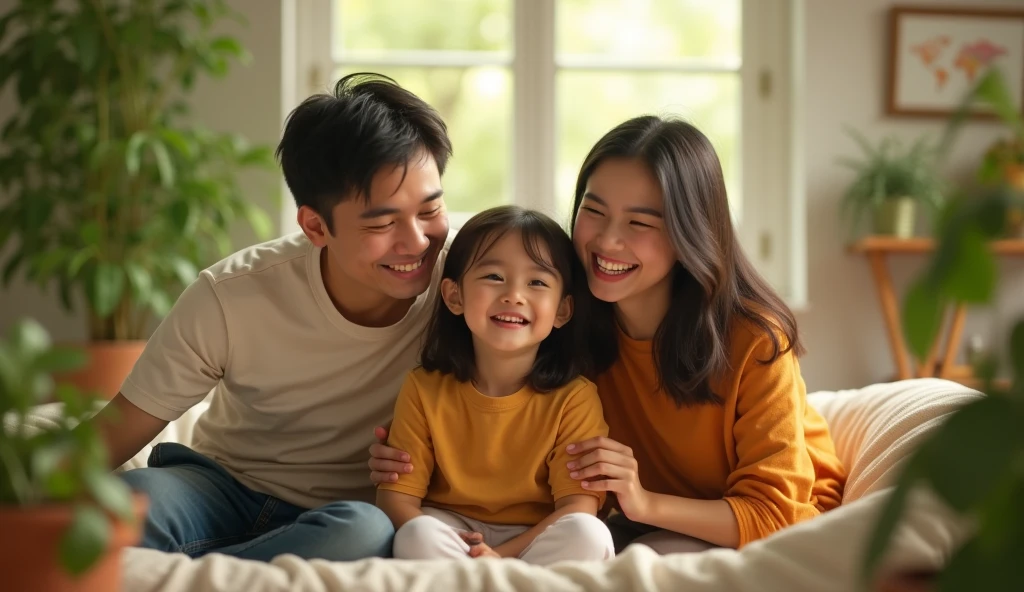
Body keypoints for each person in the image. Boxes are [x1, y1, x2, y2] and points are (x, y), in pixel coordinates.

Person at [370, 115, 847, 555]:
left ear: (689, 232)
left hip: (769, 524)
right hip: (640, 521)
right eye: (593, 211)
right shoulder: (569, 317)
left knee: (637, 561)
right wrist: (409, 458)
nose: (607, 240)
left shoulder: (753, 340)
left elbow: (775, 513)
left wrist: (642, 502)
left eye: (639, 222)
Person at [85, 73, 454, 562]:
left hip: (344, 513)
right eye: (384, 223)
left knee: (364, 531)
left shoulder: (467, 284)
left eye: (430, 210)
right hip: (218, 488)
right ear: (315, 226)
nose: (418, 241)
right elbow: (116, 430)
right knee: (119, 509)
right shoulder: (233, 296)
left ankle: (203, 573)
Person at [377, 205, 615, 565]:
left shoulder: (575, 398)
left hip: (535, 541)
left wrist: (499, 558)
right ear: (454, 296)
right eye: (493, 277)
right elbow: (396, 498)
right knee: (416, 534)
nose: (514, 295)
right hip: (453, 534)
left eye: (537, 282)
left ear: (563, 310)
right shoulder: (423, 388)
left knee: (587, 532)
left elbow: (577, 505)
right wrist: (471, 553)